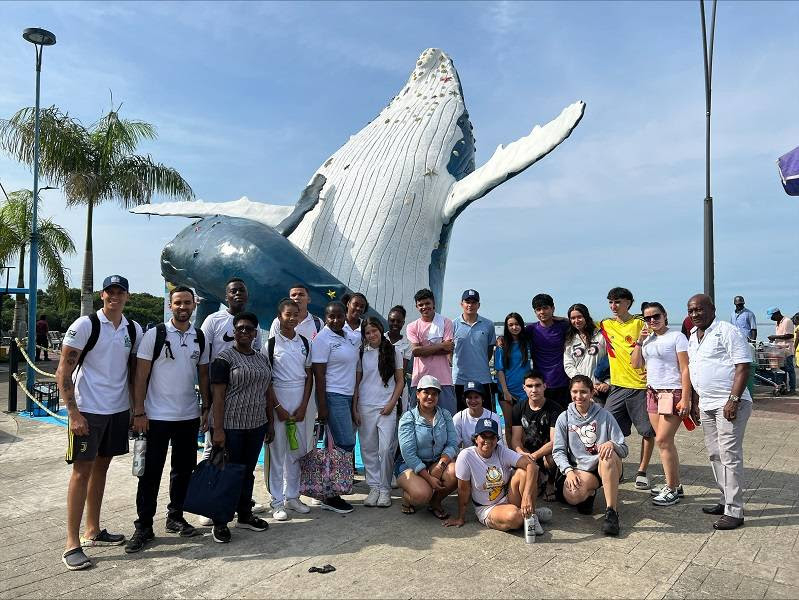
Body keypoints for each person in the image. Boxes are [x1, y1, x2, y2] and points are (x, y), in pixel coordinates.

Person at [56, 275, 143, 570]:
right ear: (102, 295)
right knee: (81, 472)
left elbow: (132, 372)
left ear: (127, 296)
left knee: (102, 467)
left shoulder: (134, 328)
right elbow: (63, 371)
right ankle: (71, 543)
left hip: (117, 410)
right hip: (88, 410)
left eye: (120, 292)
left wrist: (134, 409)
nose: (114, 296)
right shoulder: (85, 325)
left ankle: (92, 529)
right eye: (110, 291)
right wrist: (73, 413)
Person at [125, 286, 211, 553]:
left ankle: (175, 517)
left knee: (183, 471)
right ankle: (144, 526)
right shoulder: (156, 335)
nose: (182, 307)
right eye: (178, 303)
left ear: (194, 305)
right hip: (156, 416)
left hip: (187, 415)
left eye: (187, 303)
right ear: (170, 306)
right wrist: (139, 412)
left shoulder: (199, 337)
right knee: (150, 474)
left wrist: (206, 407)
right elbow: (140, 376)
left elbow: (204, 375)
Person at [199, 277, 267, 522]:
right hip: (222, 404)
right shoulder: (213, 321)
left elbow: (256, 360)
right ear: (225, 295)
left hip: (251, 412)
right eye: (233, 291)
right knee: (214, 457)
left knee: (243, 467)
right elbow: (203, 362)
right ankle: (210, 504)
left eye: (242, 290)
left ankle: (242, 504)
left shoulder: (254, 328)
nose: (238, 294)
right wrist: (206, 404)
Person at [687, 294, 752, 530]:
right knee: (715, 454)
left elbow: (743, 365)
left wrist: (733, 400)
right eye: (691, 310)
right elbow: (695, 371)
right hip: (707, 405)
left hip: (730, 404)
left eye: (699, 309)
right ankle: (725, 500)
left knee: (729, 455)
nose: (695, 314)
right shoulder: (693, 336)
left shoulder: (726, 330)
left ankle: (735, 511)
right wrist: (694, 402)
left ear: (712, 309)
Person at [209, 312, 274, 543]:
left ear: (255, 333)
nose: (244, 332)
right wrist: (217, 429)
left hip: (256, 424)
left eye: (249, 328)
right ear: (233, 332)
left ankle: (245, 514)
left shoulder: (261, 358)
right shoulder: (224, 359)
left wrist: (270, 422)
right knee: (227, 474)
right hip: (231, 426)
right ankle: (220, 521)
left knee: (247, 473)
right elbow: (218, 397)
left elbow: (267, 391)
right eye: (240, 328)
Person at [630, 301, 692, 506]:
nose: (652, 321)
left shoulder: (677, 337)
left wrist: (686, 397)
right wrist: (639, 342)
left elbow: (685, 368)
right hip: (652, 394)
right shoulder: (647, 341)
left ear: (665, 315)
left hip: (672, 393)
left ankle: (671, 489)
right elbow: (636, 364)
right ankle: (675, 483)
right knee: (665, 442)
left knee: (663, 441)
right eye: (647, 318)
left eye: (656, 316)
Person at [552, 375, 628, 536]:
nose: (579, 396)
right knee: (573, 496)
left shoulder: (605, 416)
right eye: (575, 392)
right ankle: (589, 493)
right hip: (580, 469)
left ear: (592, 392)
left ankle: (611, 512)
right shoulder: (563, 417)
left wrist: (611, 444)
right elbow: (558, 451)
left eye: (584, 392)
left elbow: (623, 448)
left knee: (607, 455)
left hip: (603, 466)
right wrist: (568, 471)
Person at [598, 287, 655, 490]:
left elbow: (659, 344)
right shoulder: (605, 324)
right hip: (617, 386)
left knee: (648, 431)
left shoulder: (641, 323)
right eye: (611, 302)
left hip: (641, 387)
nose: (614, 306)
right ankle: (618, 469)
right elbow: (578, 323)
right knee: (608, 431)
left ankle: (642, 471)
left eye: (618, 302)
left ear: (628, 302)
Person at [444, 418, 541, 535]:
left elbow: (532, 465)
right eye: (483, 436)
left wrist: (526, 497)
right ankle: (529, 514)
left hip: (508, 497)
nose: (487, 440)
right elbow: (463, 490)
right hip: (487, 508)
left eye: (492, 437)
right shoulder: (466, 456)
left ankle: (531, 514)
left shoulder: (501, 451)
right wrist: (460, 517)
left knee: (524, 472)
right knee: (514, 517)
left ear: (497, 439)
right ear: (476, 438)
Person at [266, 298, 314, 521]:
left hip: (300, 401)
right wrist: (277, 407)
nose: (292, 318)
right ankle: (276, 501)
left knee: (298, 451)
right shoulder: (271, 345)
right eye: (288, 314)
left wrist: (304, 405)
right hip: (279, 401)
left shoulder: (305, 343)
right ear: (279, 317)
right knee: (278, 452)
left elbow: (309, 377)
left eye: (296, 314)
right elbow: (267, 381)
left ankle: (292, 496)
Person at [311, 301, 361, 513]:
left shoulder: (348, 337)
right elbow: (319, 375)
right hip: (333, 395)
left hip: (347, 396)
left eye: (339, 316)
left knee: (339, 445)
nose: (335, 320)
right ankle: (330, 494)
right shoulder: (322, 339)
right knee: (345, 443)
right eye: (331, 317)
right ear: (326, 316)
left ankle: (333, 490)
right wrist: (322, 406)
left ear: (345, 316)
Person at [353, 317, 404, 507]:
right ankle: (374, 486)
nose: (371, 335)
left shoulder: (394, 351)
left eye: (374, 331)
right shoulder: (361, 353)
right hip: (365, 406)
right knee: (368, 449)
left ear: (380, 330)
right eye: (367, 332)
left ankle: (385, 489)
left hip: (386, 407)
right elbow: (357, 383)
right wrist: (355, 408)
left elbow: (400, 381)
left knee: (386, 449)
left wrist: (392, 404)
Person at [396, 375, 458, 518]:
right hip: (409, 465)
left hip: (436, 462)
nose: (430, 396)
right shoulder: (408, 418)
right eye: (426, 392)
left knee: (456, 471)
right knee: (422, 494)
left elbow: (452, 444)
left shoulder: (445, 415)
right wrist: (429, 478)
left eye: (434, 393)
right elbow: (408, 454)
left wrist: (441, 465)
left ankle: (435, 502)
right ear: (418, 394)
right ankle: (407, 498)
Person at [511, 370, 563, 502]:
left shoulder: (555, 409)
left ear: (544, 386)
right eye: (529, 386)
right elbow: (516, 440)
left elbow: (554, 442)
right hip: (528, 451)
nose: (534, 390)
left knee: (551, 458)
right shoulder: (518, 408)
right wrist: (522, 453)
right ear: (524, 388)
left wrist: (534, 456)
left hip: (546, 452)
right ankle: (538, 480)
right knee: (521, 462)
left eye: (538, 385)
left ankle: (551, 484)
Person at [406, 288, 456, 414]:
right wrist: (440, 345)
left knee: (447, 418)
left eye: (427, 303)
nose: (424, 307)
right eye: (420, 305)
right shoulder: (412, 326)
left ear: (434, 303)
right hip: (420, 381)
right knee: (418, 421)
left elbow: (448, 348)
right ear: (417, 307)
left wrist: (423, 349)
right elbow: (416, 352)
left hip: (443, 380)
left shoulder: (446, 322)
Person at [452, 289, 496, 412]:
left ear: (479, 305)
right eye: (467, 302)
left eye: (474, 302)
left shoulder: (488, 324)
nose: (470, 305)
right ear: (461, 304)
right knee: (458, 416)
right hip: (459, 379)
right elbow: (449, 353)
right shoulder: (452, 325)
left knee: (488, 416)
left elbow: (489, 350)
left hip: (483, 378)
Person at [526, 294, 570, 410]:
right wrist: (501, 339)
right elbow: (513, 336)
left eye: (545, 308)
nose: (542, 312)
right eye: (538, 309)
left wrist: (563, 318)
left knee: (563, 420)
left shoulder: (563, 326)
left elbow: (582, 322)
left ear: (553, 308)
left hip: (563, 382)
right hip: (541, 384)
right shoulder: (531, 329)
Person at [495, 312, 532, 444]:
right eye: (510, 325)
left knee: (524, 427)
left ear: (521, 325)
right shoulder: (502, 345)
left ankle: (523, 454)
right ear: (506, 327)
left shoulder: (527, 343)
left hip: (525, 392)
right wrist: (505, 392)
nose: (514, 327)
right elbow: (499, 370)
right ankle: (511, 458)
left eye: (517, 324)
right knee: (509, 426)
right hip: (507, 392)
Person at [562, 303, 610, 398]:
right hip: (580, 391)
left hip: (600, 388)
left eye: (579, 317)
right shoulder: (570, 340)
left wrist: (608, 383)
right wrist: (583, 383)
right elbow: (568, 365)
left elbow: (611, 360)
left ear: (586, 316)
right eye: (573, 318)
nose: (576, 321)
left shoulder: (601, 336)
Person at [452, 381, 503, 449]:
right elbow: (454, 444)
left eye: (476, 397)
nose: (473, 401)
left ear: (483, 399)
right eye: (469, 397)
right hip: (469, 456)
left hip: (490, 455)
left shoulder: (493, 417)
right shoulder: (459, 417)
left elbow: (499, 444)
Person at [385, 305, 413, 413]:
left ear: (403, 322)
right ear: (388, 320)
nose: (395, 323)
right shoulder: (381, 338)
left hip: (398, 385)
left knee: (398, 417)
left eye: (399, 321)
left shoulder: (407, 344)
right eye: (392, 320)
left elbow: (402, 370)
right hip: (379, 384)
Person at [767, 307, 796, 394]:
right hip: (780, 350)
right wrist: (774, 340)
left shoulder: (787, 321)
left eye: (772, 317)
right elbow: (781, 335)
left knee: (790, 370)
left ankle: (792, 389)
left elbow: (790, 335)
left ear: (777, 313)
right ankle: (783, 387)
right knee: (782, 370)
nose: (772, 319)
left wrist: (775, 337)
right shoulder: (778, 322)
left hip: (787, 349)